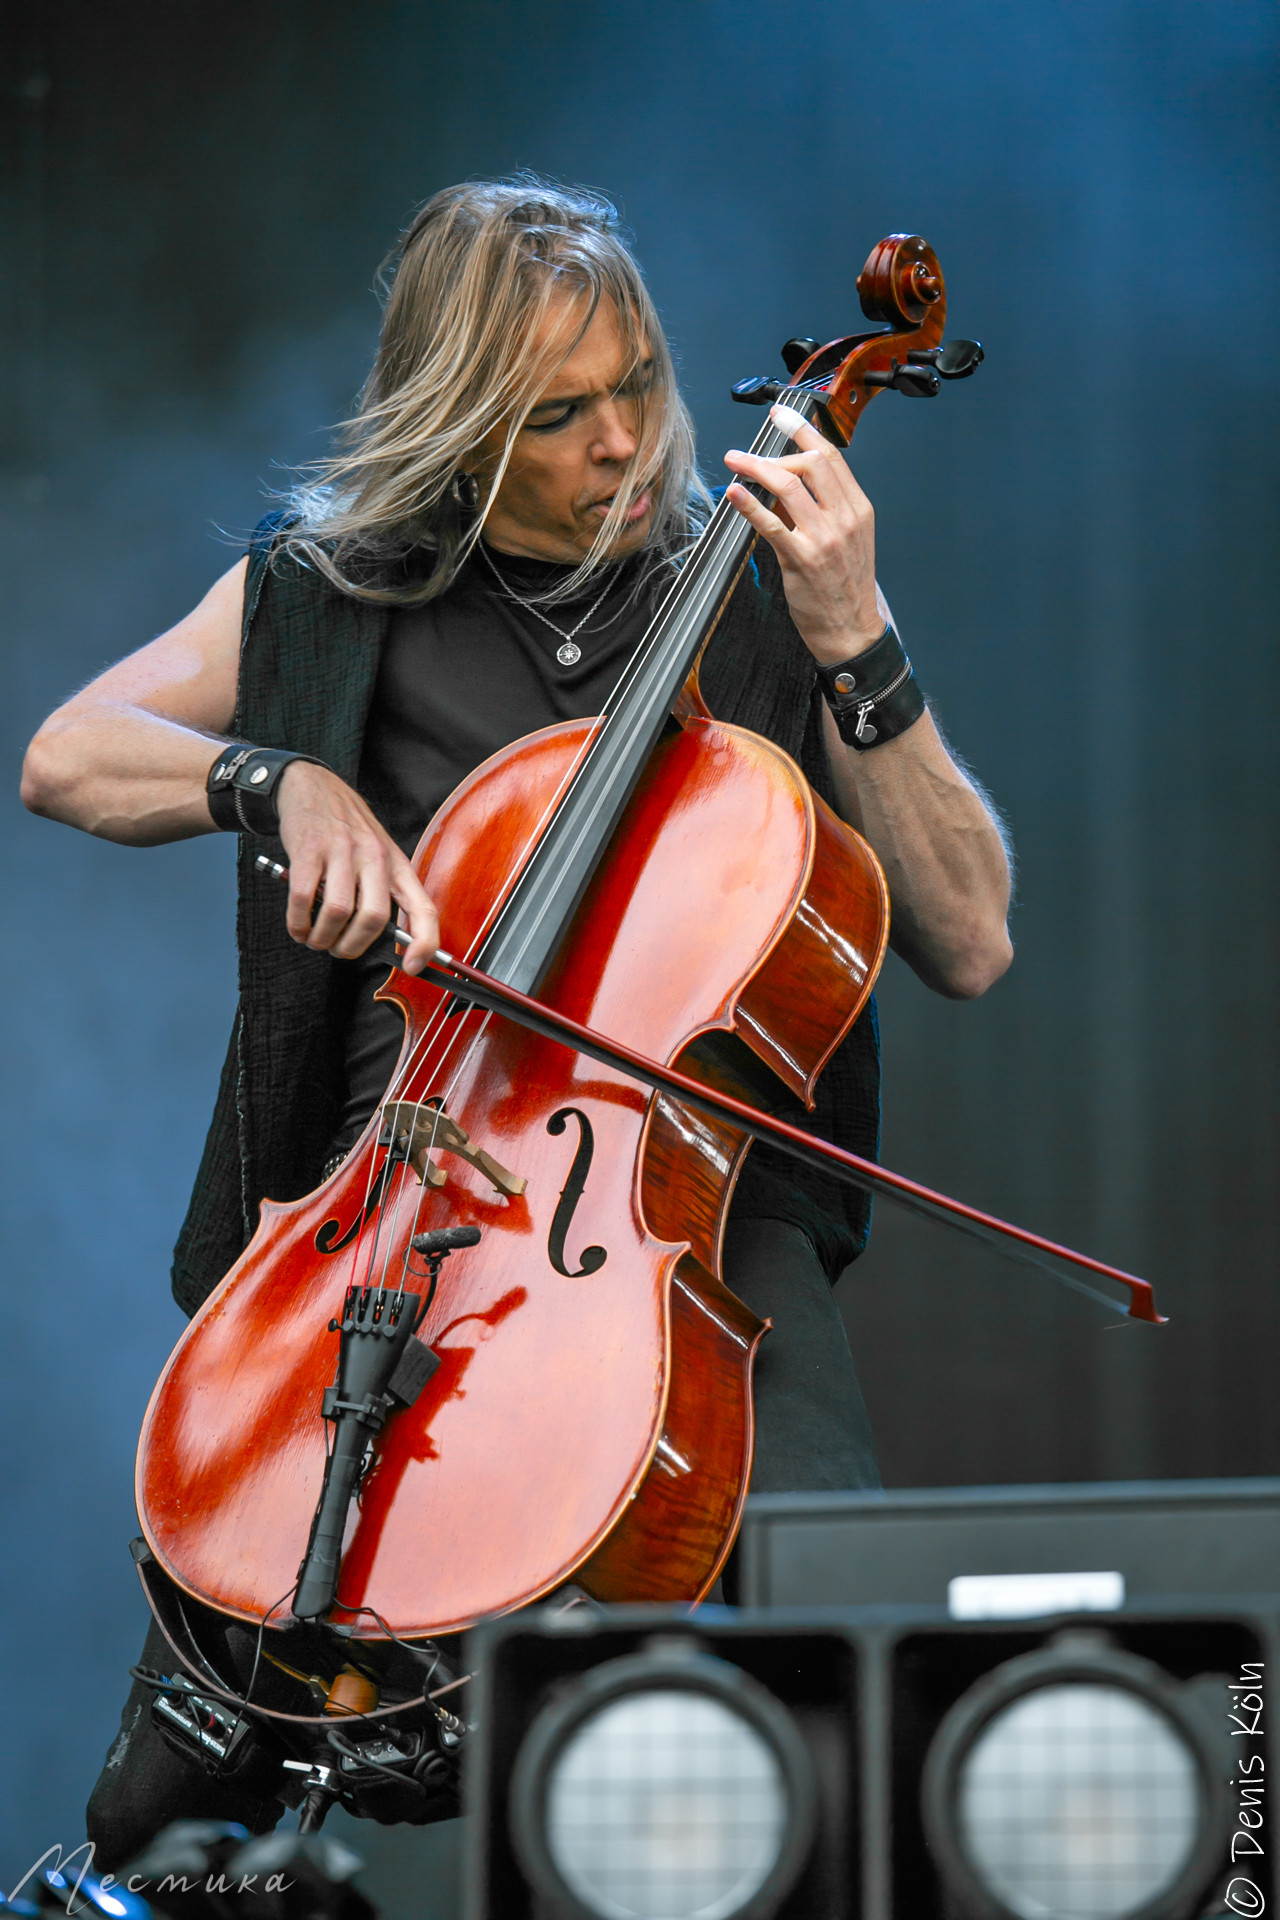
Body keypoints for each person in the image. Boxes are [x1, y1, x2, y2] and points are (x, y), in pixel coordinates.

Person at [22, 177, 1012, 1859]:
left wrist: (859, 636)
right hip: (390, 1195)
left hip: (682, 1207)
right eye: (561, 415)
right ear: (466, 423)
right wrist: (275, 780)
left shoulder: (761, 602)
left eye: (639, 383)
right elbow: (64, 754)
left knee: (835, 1672)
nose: (626, 442)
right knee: (174, 1793)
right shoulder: (327, 593)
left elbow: (970, 935)